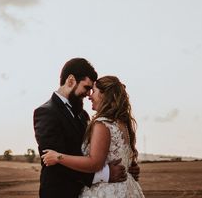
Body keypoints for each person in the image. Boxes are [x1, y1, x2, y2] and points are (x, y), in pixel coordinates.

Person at [34, 58, 139, 198]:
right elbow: (51, 161)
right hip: (60, 193)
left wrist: (126, 167)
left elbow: (97, 150)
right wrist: (105, 174)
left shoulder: (83, 115)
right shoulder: (46, 112)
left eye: (92, 90)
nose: (88, 94)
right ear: (71, 80)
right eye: (87, 87)